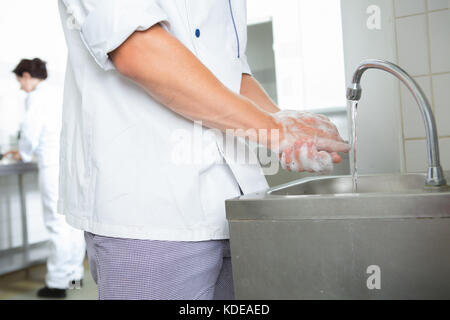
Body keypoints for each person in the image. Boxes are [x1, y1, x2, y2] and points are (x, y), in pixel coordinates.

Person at [58, 0, 349, 300]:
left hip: (234, 203)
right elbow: (139, 50)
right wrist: (274, 132)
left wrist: (282, 121)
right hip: (152, 214)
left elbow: (229, 71)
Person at [4, 58, 86, 298]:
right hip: (69, 163)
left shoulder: (37, 97)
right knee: (72, 224)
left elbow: (30, 131)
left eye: (20, 80)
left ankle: (57, 284)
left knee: (56, 224)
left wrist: (24, 153)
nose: (20, 86)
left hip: (51, 165)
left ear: (27, 76)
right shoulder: (59, 93)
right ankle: (74, 278)